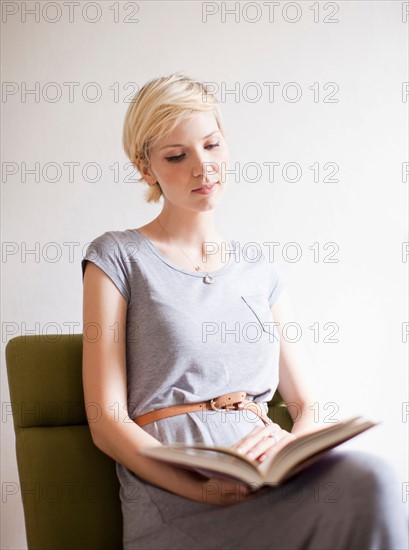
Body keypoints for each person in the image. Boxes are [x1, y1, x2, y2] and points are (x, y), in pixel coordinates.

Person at [81, 73, 409, 550]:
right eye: (177, 155)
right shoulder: (117, 256)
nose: (203, 167)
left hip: (268, 475)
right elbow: (106, 420)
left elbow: (308, 405)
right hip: (177, 487)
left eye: (212, 145)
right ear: (145, 167)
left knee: (371, 479)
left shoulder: (259, 269)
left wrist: (291, 443)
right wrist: (199, 487)